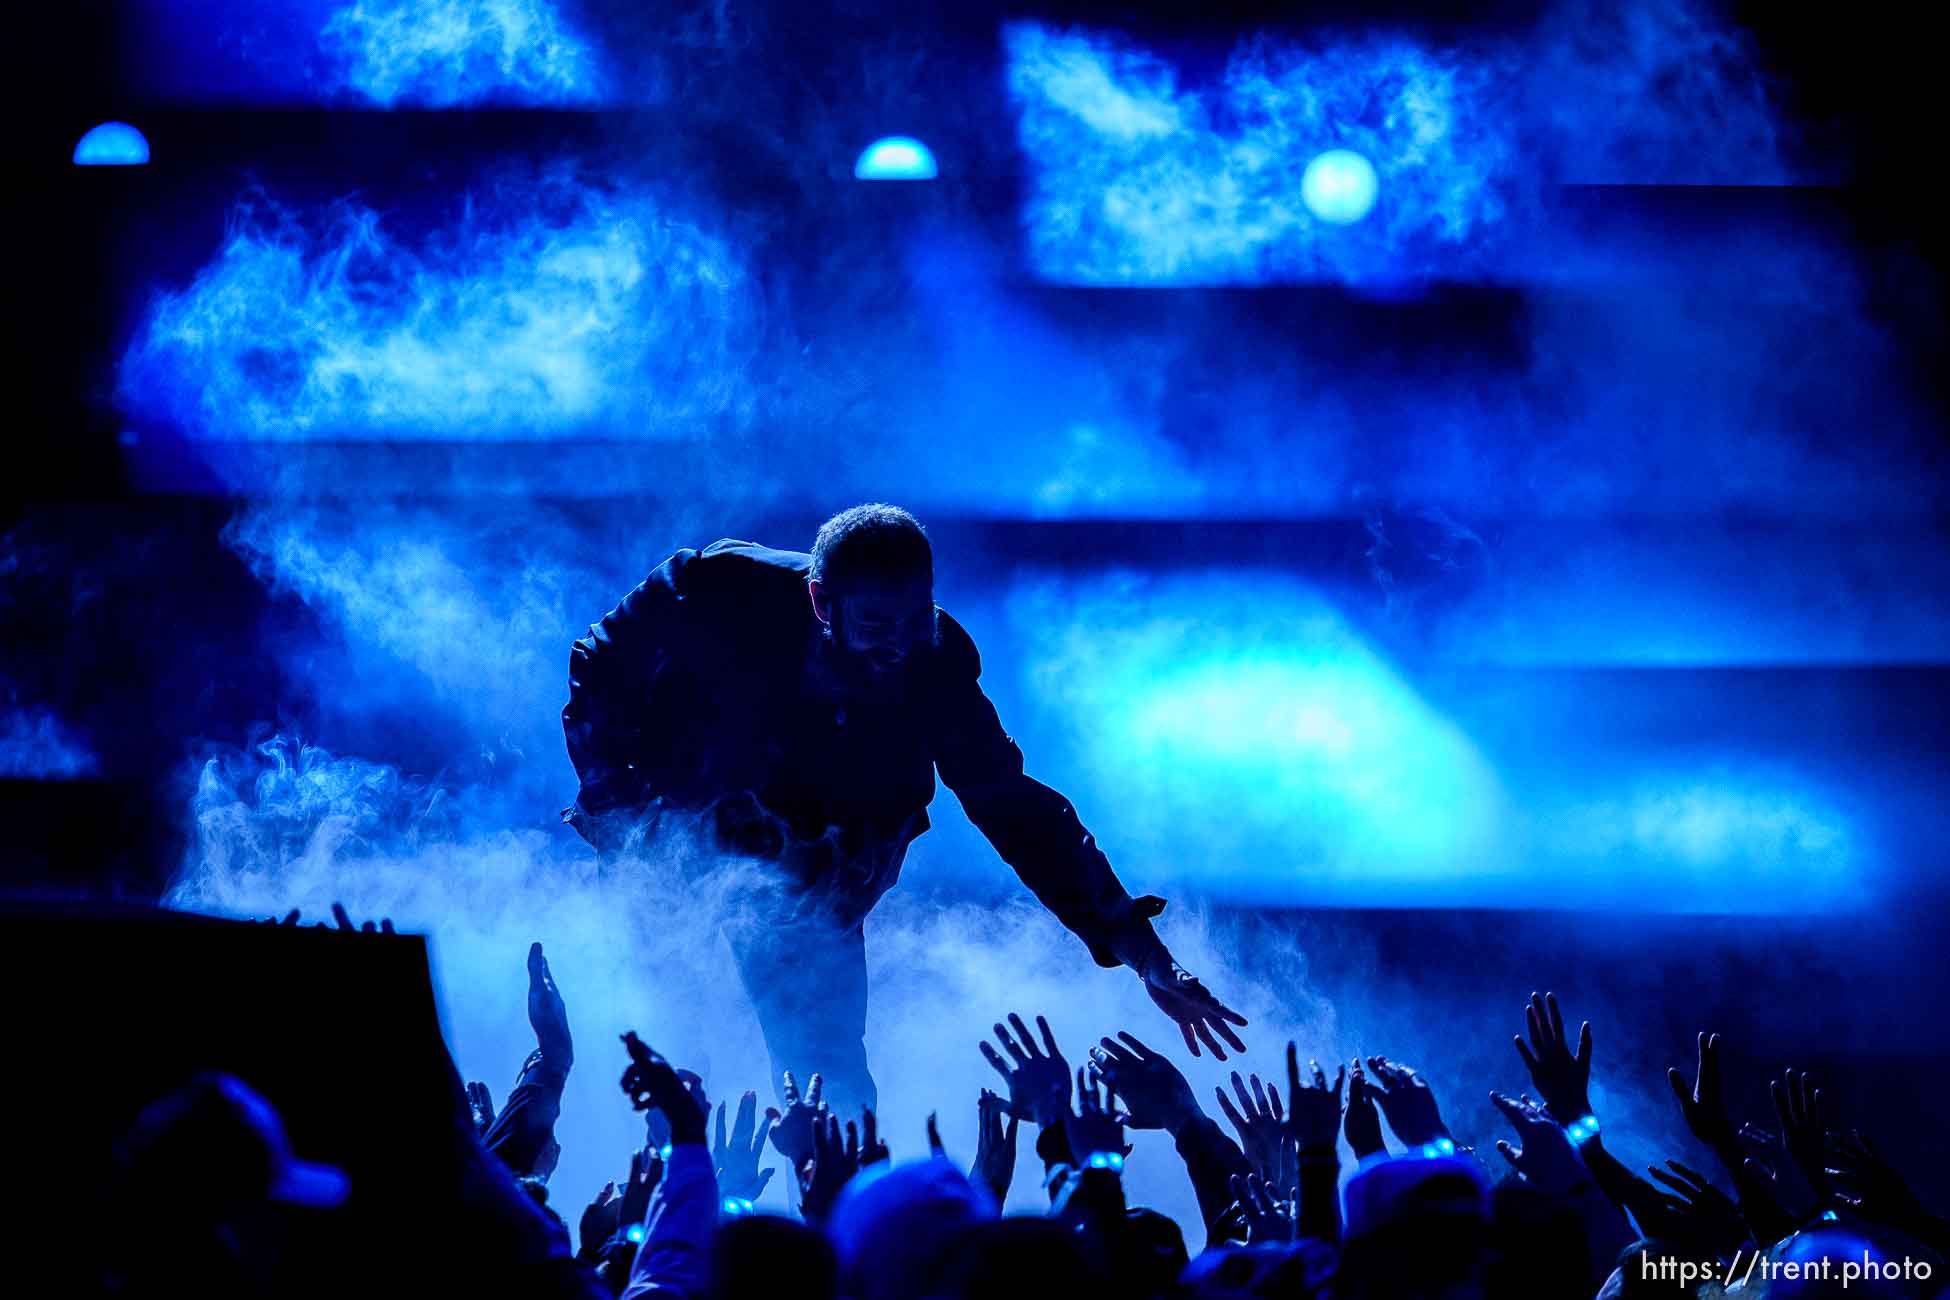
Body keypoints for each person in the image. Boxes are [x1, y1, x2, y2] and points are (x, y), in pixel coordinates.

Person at [562, 503, 1246, 1111]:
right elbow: (599, 661)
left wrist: (1142, 949)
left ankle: (844, 1228)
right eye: (877, 622)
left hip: (817, 880)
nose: (902, 640)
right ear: (822, 602)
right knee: (665, 1047)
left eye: (918, 617)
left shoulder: (937, 666)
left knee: (829, 1083)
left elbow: (1016, 809)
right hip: (675, 833)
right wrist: (619, 810)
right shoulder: (719, 585)